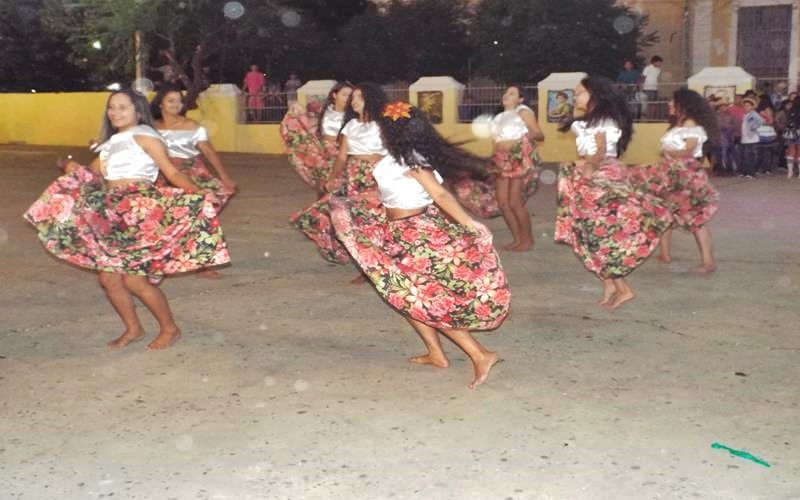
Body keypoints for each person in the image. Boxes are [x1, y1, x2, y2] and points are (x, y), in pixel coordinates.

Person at [24, 90, 229, 349]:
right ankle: (133, 328)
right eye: (112, 107)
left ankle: (170, 328)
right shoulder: (109, 145)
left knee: (134, 280)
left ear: (138, 111)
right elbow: (93, 175)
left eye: (123, 107)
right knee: (108, 279)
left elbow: (172, 173)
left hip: (137, 213)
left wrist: (199, 192)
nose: (115, 112)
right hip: (110, 214)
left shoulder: (146, 137)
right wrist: (72, 168)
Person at [330, 102, 509, 389]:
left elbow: (440, 194)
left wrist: (470, 224)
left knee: (422, 298)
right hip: (396, 234)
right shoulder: (394, 157)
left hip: (415, 236)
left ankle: (480, 354)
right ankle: (437, 353)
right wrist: (363, 204)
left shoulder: (413, 160)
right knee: (403, 298)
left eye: (384, 127)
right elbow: (393, 193)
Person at [555, 76, 672, 309]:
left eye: (579, 92)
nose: (575, 96)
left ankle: (622, 288)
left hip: (600, 175)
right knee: (587, 233)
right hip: (588, 175)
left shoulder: (604, 121)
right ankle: (609, 282)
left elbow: (600, 149)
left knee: (600, 233)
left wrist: (588, 165)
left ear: (593, 94)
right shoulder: (585, 122)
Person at [290, 82, 388, 265]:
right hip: (353, 175)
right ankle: (358, 257)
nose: (354, 101)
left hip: (378, 174)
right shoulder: (350, 125)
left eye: (359, 97)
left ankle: (376, 260)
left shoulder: (383, 123)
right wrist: (333, 178)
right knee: (342, 215)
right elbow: (342, 157)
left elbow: (393, 150)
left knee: (375, 218)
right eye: (353, 97)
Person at [150, 83, 237, 278]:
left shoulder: (191, 126)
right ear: (161, 104)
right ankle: (161, 261)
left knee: (201, 217)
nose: (175, 105)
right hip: (165, 176)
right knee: (164, 221)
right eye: (170, 101)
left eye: (179, 101)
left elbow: (208, 151)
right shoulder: (152, 128)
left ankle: (202, 265)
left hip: (194, 173)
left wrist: (224, 176)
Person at [630, 89, 720, 274]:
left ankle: (708, 262)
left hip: (684, 175)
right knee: (664, 213)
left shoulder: (690, 123)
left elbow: (689, 149)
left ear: (683, 105)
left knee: (693, 217)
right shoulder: (677, 125)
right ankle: (665, 254)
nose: (669, 104)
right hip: (670, 173)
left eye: (673, 102)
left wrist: (668, 154)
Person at [488, 85, 545, 251]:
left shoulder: (522, 111)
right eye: (506, 92)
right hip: (500, 161)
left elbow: (539, 134)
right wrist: (492, 160)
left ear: (520, 99)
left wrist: (521, 140)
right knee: (503, 203)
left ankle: (528, 240)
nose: (506, 95)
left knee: (514, 202)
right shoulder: (498, 117)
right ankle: (517, 239)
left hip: (516, 159)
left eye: (512, 93)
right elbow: (496, 142)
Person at [280, 82, 353, 195]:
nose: (347, 98)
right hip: (322, 157)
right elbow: (307, 122)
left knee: (339, 194)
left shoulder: (353, 116)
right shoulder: (323, 111)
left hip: (341, 157)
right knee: (322, 192)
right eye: (344, 94)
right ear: (335, 95)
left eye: (350, 96)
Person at [739, 97, 763, 178]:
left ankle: (751, 172)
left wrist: (753, 127)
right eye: (745, 106)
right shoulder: (744, 114)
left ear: (752, 106)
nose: (746, 107)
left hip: (752, 138)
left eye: (749, 106)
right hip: (744, 137)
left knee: (751, 156)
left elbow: (761, 121)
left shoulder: (754, 114)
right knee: (744, 155)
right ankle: (745, 172)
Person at [640, 55, 663, 120]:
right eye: (659, 62)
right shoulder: (647, 68)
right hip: (647, 88)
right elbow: (643, 77)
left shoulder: (659, 69)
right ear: (654, 62)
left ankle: (652, 118)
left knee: (654, 104)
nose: (660, 64)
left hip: (655, 88)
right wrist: (641, 86)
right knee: (647, 104)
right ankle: (645, 118)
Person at [783, 96, 800, 178]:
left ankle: (790, 172)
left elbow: (787, 122)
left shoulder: (791, 110)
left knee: (791, 151)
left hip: (791, 132)